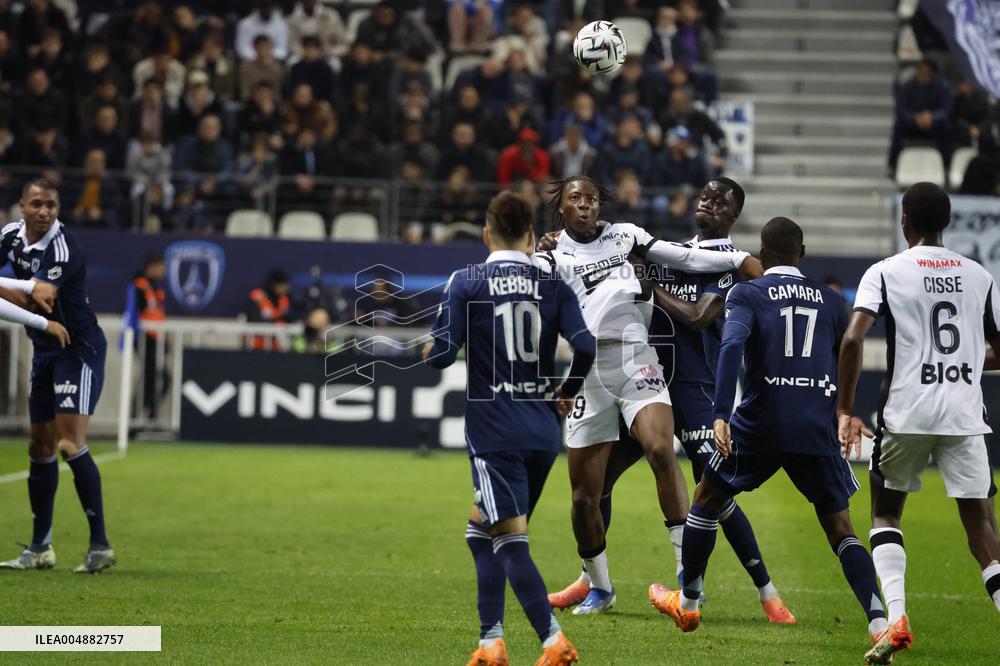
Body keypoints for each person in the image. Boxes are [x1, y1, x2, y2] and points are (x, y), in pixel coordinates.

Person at [547, 179, 794, 625]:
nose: (707, 201)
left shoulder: (720, 265)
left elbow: (698, 317)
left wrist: (651, 280)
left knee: (717, 493)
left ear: (734, 215)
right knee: (594, 488)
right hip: (632, 376)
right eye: (705, 194)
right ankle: (592, 578)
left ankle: (765, 591)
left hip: (694, 389)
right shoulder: (660, 247)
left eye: (720, 200)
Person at [648, 217, 887, 659]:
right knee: (841, 530)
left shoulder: (748, 292)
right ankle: (879, 623)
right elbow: (847, 355)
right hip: (814, 425)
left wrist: (721, 413)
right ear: (802, 251)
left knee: (705, 500)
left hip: (760, 422)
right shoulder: (835, 302)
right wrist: (844, 411)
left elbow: (732, 346)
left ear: (762, 252)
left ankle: (688, 604)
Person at [423, 190, 592, 665]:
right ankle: (489, 642)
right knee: (482, 532)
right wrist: (568, 390)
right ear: (531, 236)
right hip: (542, 431)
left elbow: (439, 356)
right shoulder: (555, 285)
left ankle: (553, 641)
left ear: (486, 234)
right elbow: (586, 347)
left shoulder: (466, 281)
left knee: (508, 540)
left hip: (494, 431)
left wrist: (424, 349)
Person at [837, 182, 1000, 664]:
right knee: (981, 527)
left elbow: (853, 338)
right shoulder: (979, 276)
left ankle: (898, 619)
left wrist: (845, 410)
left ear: (904, 220)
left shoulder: (885, 271)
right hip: (964, 412)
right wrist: (966, 360)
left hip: (906, 409)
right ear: (945, 222)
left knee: (886, 513)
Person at [0, 178, 115, 573]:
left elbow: (43, 297)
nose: (44, 212)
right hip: (45, 349)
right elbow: (30, 295)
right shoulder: (10, 237)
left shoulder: (63, 247)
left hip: (78, 350)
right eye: (36, 204)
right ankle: (40, 548)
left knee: (68, 443)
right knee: (39, 446)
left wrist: (11, 293)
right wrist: (22, 292)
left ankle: (100, 545)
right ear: (22, 206)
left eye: (51, 205)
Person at [132, 253, 167, 420]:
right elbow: (135, 312)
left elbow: (157, 313)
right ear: (152, 266)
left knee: (159, 378)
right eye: (161, 266)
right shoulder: (139, 285)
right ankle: (136, 418)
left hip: (156, 338)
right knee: (150, 377)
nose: (164, 270)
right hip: (145, 338)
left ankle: (147, 417)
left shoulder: (154, 286)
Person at [244, 269, 291, 351]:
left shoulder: (284, 300)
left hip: (279, 348)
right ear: (275, 285)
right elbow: (254, 322)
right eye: (283, 284)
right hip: (257, 348)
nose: (287, 287)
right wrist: (277, 322)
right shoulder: (257, 297)